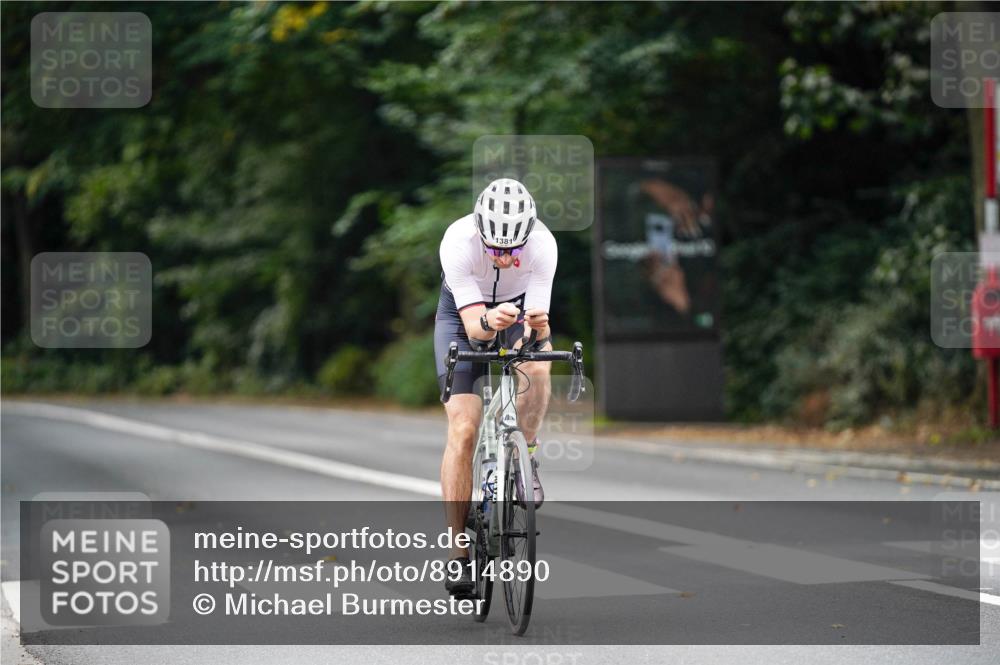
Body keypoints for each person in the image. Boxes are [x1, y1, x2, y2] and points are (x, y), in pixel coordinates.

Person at [434, 177, 557, 598]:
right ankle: (458, 550)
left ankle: (529, 452)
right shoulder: (457, 241)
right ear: (480, 233)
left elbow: (538, 333)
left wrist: (537, 332)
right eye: (496, 249)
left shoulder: (543, 245)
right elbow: (475, 332)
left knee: (539, 369)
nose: (504, 257)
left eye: (513, 249)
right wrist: (489, 321)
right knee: (464, 428)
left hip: (519, 308)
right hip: (462, 314)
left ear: (528, 237)